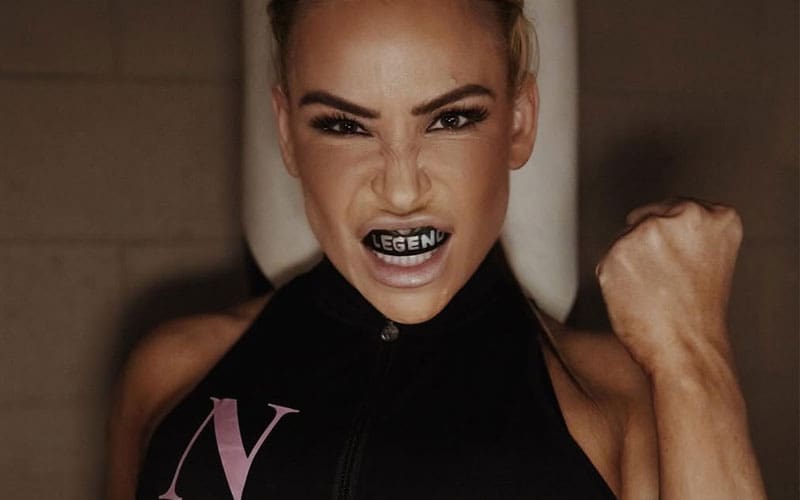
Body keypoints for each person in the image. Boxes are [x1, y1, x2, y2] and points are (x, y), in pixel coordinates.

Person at [106, 1, 766, 498]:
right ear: (286, 134)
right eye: (343, 125)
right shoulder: (173, 370)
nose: (400, 190)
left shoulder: (615, 399)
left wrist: (693, 353)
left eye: (452, 118)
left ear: (519, 123)